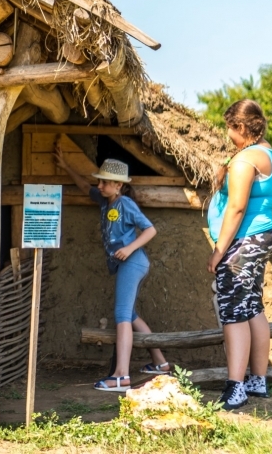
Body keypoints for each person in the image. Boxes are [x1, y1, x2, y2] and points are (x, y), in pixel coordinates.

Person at [55, 147, 169, 392]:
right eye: (100, 181)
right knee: (130, 315)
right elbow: (86, 188)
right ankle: (160, 363)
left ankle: (121, 376)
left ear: (118, 186)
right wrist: (66, 167)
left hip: (133, 262)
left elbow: (150, 230)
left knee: (121, 316)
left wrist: (129, 249)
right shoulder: (105, 201)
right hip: (128, 264)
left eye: (105, 183)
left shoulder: (125, 203)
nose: (100, 185)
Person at [206, 99, 272, 410]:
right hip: (261, 236)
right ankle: (257, 380)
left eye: (230, 129)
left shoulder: (246, 160)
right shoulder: (267, 153)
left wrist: (218, 251)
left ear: (240, 127)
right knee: (252, 306)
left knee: (232, 308)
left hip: (244, 241)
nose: (228, 136)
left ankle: (235, 387)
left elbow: (236, 209)